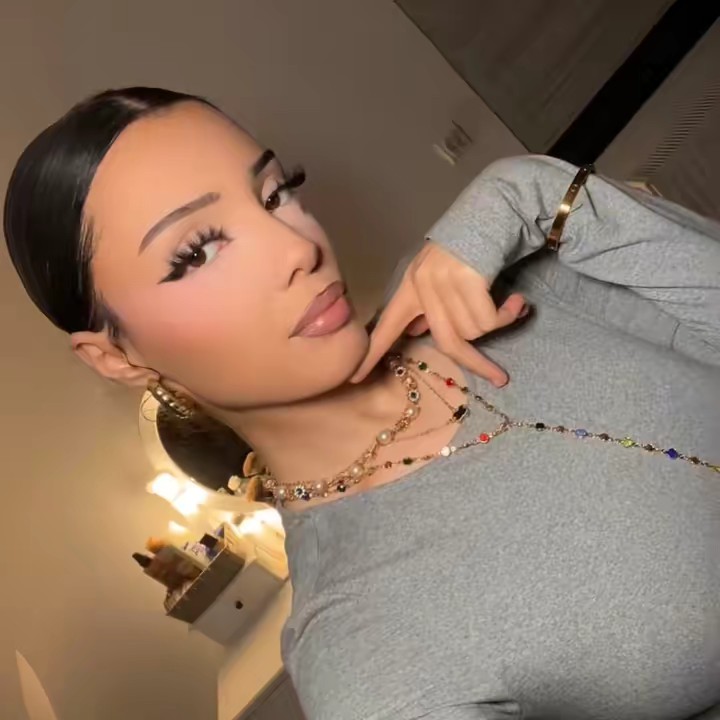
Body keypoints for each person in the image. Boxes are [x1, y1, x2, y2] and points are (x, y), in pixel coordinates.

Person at [4, 87, 719, 720]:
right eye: (197, 251)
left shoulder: (485, 270)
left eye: (275, 193)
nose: (297, 247)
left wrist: (532, 189)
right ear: (116, 357)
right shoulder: (361, 645)